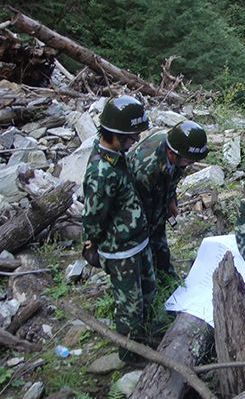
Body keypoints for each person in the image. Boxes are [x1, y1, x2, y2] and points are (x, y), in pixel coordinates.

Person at [82, 95, 155, 366]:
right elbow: (92, 217)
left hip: (138, 243)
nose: (134, 141)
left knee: (148, 293)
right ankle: (130, 358)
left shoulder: (117, 157)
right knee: (129, 309)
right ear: (113, 135)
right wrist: (92, 245)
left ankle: (147, 341)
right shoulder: (100, 172)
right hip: (120, 251)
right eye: (130, 137)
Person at [128, 120, 208, 283]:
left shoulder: (177, 147)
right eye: (188, 161)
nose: (190, 165)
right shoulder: (148, 170)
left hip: (155, 191)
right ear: (172, 154)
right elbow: (146, 212)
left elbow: (174, 175)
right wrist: (158, 216)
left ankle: (165, 271)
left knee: (159, 234)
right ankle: (146, 277)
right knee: (147, 236)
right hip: (136, 201)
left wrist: (171, 200)